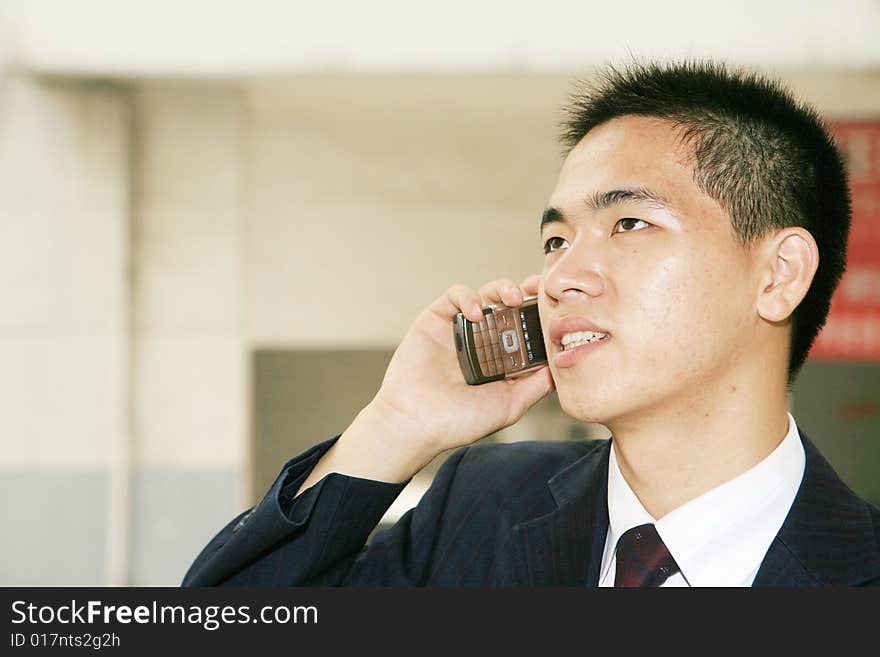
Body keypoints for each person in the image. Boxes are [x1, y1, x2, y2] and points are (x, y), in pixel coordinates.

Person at [182, 60, 880, 587]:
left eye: (629, 222)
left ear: (780, 273)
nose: (562, 276)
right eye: (555, 241)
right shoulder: (482, 507)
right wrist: (394, 427)